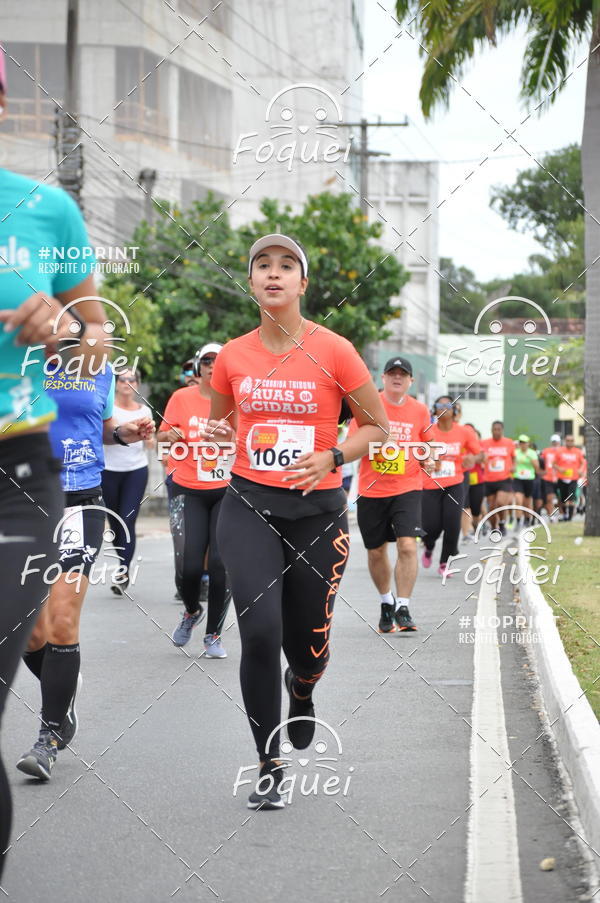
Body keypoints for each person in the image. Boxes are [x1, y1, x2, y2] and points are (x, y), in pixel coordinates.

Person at [207, 234, 388, 809]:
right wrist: (215, 436)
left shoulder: (334, 350)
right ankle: (268, 762)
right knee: (259, 633)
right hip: (248, 505)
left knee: (307, 647)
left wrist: (333, 455)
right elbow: (225, 425)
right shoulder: (233, 357)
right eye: (263, 265)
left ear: (303, 284)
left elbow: (376, 427)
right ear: (252, 280)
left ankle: (303, 690)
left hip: (317, 513)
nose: (274, 274)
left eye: (287, 266)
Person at [0, 45, 118, 866]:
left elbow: (96, 337)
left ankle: (50, 725)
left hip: (21, 470)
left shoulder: (45, 210)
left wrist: (67, 331)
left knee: (57, 616)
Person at [17, 364, 154, 780]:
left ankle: (49, 737)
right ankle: (64, 688)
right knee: (30, 630)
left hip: (80, 502)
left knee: (62, 617)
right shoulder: (18, 358)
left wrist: (123, 435)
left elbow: (103, 427)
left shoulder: (102, 371)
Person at [157, 342, 233, 658]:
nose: (214, 366)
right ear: (199, 368)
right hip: (190, 489)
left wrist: (229, 438)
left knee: (219, 564)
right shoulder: (181, 398)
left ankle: (213, 635)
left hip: (227, 490)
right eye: (208, 361)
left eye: (219, 361)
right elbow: (161, 437)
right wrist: (170, 436)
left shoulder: (235, 401)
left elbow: (251, 439)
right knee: (188, 567)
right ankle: (191, 611)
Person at [350, 356, 430, 633]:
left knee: (408, 546)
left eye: (402, 374)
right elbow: (353, 445)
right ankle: (387, 601)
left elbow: (427, 446)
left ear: (411, 381)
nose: (397, 377)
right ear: (382, 378)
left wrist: (429, 459)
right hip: (372, 489)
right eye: (391, 373)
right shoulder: (368, 406)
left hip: (407, 487)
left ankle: (404, 606)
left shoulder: (420, 411)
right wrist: (381, 443)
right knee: (376, 551)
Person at [101, 369, 153, 594]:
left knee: (127, 519)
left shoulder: (144, 411)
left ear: (137, 384)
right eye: (122, 379)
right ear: (116, 383)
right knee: (114, 523)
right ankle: (122, 565)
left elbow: (149, 442)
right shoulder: (108, 408)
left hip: (136, 471)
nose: (126, 382)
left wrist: (148, 438)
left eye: (131, 379)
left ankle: (122, 570)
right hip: (108, 471)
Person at [421, 397, 480, 577]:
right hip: (431, 484)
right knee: (431, 526)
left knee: (452, 523)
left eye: (449, 405)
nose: (444, 408)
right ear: (434, 410)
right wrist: (427, 460)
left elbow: (479, 454)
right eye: (440, 405)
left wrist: (473, 459)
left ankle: (445, 562)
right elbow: (416, 453)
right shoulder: (427, 431)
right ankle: (429, 546)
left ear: (454, 410)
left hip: (455, 483)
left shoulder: (464, 432)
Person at [481, 420, 515, 536]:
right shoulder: (484, 443)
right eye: (494, 429)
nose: (496, 432)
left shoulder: (509, 443)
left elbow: (514, 457)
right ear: (491, 430)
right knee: (491, 508)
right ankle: (494, 527)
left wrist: (513, 467)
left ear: (502, 430)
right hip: (489, 479)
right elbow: (481, 457)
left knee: (501, 502)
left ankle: (502, 522)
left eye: (499, 429)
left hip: (504, 478)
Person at [555, 435, 586, 521]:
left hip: (573, 478)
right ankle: (565, 515)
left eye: (571, 440)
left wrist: (580, 470)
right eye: (568, 440)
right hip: (562, 478)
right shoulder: (560, 451)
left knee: (571, 498)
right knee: (563, 499)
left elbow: (583, 462)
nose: (570, 442)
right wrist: (559, 469)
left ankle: (570, 518)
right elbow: (554, 464)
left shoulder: (577, 451)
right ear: (565, 441)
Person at [512, 434, 540, 528]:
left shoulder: (532, 453)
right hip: (518, 478)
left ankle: (527, 519)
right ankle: (518, 520)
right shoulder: (516, 452)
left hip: (529, 479)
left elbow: (537, 467)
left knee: (527, 502)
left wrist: (531, 459)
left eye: (524, 442)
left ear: (528, 443)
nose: (522, 444)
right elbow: (513, 464)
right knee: (518, 499)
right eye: (520, 442)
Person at [462, 426, 486, 539]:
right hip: (463, 479)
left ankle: (476, 525)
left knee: (476, 508)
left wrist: (473, 458)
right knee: (465, 506)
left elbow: (484, 459)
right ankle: (466, 533)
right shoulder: (460, 444)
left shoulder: (479, 446)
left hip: (478, 481)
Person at [540, 433, 563, 518]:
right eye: (553, 442)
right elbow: (540, 461)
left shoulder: (563, 451)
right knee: (549, 498)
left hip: (560, 478)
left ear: (559, 442)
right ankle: (551, 516)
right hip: (548, 478)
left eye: (556, 442)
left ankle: (561, 514)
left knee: (561, 499)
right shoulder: (546, 451)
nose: (555, 444)